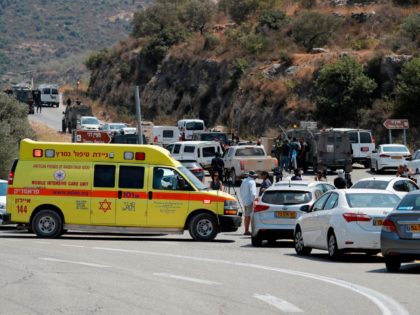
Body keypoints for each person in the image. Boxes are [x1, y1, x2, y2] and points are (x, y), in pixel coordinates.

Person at [240, 171, 257, 236]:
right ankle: (250, 230)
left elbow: (241, 191)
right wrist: (254, 201)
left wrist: (243, 199)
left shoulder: (244, 181)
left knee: (246, 216)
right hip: (250, 201)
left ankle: (246, 230)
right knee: (251, 216)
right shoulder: (252, 182)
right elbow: (253, 193)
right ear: (253, 176)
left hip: (245, 201)